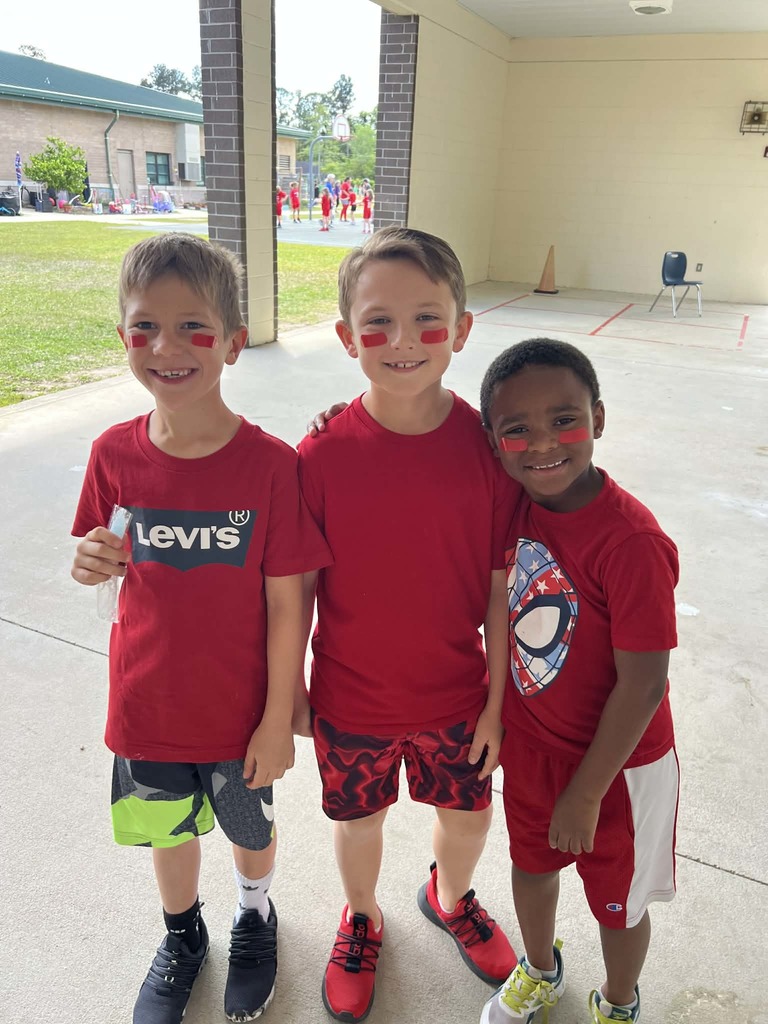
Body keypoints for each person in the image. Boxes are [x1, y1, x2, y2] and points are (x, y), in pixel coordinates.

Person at [70, 233, 331, 1024]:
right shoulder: (113, 454)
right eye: (145, 326)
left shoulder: (270, 466)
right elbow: (99, 554)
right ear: (123, 338)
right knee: (167, 832)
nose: (168, 347)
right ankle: (183, 936)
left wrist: (279, 714)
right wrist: (89, 561)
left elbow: (291, 603)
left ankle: (254, 916)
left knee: (249, 828)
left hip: (237, 712)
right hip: (147, 704)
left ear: (234, 344)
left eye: (195, 328)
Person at [297, 227, 518, 1023]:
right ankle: (361, 917)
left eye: (426, 320)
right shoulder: (318, 456)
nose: (401, 341)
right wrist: (290, 688)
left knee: (467, 817)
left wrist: (497, 700)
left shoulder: (488, 450)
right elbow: (296, 590)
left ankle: (448, 895)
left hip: (458, 693)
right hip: (352, 698)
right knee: (358, 824)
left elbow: (500, 589)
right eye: (377, 322)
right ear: (346, 337)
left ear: (460, 331)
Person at [478, 338, 679, 1024]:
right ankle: (539, 969)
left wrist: (586, 793)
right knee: (531, 868)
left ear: (598, 417)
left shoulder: (631, 543)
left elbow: (645, 683)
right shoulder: (515, 503)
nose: (543, 445)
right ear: (495, 443)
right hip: (534, 747)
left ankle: (619, 1003)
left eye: (564, 420)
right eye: (517, 430)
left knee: (618, 902)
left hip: (619, 767)